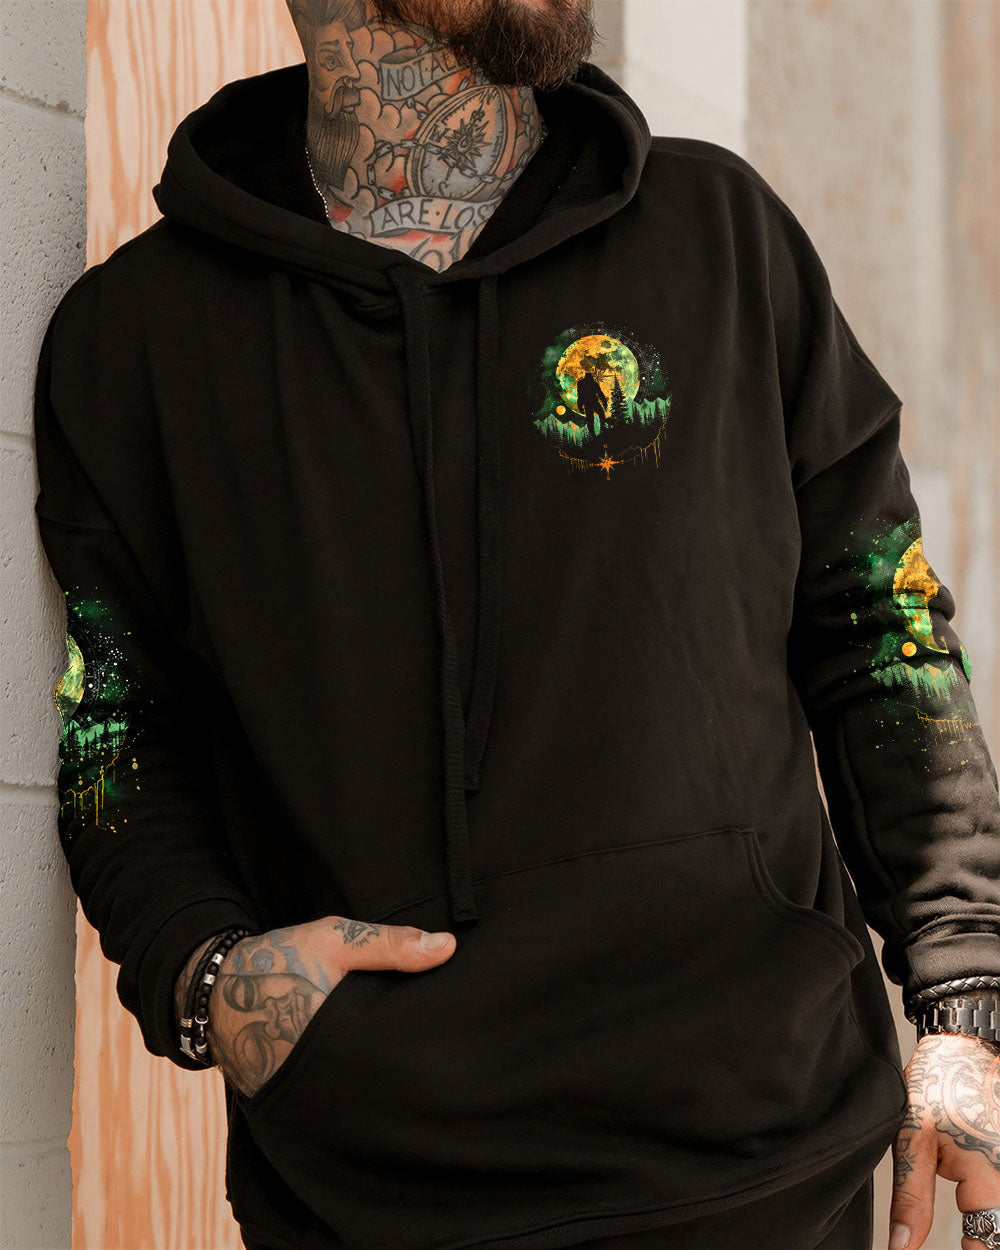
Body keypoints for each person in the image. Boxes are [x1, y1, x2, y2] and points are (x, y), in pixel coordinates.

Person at [31, 1, 1000, 1248]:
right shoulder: (140, 339)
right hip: (376, 1192)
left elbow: (879, 621)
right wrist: (206, 974)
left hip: (766, 1165)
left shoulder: (719, 237)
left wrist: (963, 992)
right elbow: (118, 725)